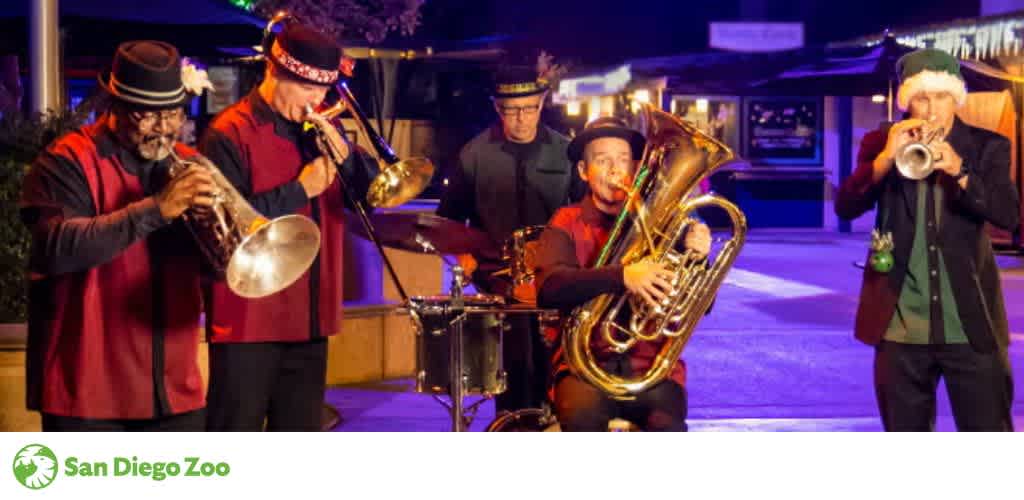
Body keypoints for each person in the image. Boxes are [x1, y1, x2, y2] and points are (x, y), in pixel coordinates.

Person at [20, 40, 215, 431]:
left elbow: (223, 270)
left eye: (174, 114)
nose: (164, 129)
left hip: (175, 389)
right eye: (148, 116)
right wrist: (157, 210)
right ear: (114, 108)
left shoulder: (191, 165)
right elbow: (56, 248)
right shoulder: (66, 160)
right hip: (90, 393)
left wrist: (219, 239)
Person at [199, 21, 375, 431]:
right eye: (308, 90)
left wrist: (347, 158)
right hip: (249, 320)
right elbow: (222, 226)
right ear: (273, 73)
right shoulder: (228, 133)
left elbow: (368, 198)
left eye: (324, 91)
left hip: (310, 315)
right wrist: (300, 189)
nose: (317, 101)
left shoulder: (318, 129)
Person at [836, 48, 1019, 431]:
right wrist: (885, 159)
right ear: (907, 100)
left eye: (940, 97)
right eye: (921, 97)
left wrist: (960, 169)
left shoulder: (988, 146)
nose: (931, 109)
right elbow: (846, 207)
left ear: (955, 98)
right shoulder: (879, 142)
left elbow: (1008, 215)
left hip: (970, 324)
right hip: (899, 327)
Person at [534, 117, 712, 431]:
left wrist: (697, 260)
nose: (615, 171)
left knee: (667, 428)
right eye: (602, 161)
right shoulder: (565, 221)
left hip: (652, 368)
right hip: (584, 368)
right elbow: (550, 288)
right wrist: (623, 276)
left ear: (635, 169)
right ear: (583, 172)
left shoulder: (663, 225)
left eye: (623, 160)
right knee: (582, 418)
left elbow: (702, 306)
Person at [437, 66, 585, 413]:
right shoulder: (473, 154)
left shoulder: (566, 152)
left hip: (553, 277)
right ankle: (512, 424)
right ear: (498, 109)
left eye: (529, 108)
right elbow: (449, 221)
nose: (521, 119)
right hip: (498, 278)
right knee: (513, 369)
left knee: (555, 367)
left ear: (542, 103)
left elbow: (582, 212)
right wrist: (466, 261)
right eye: (512, 110)